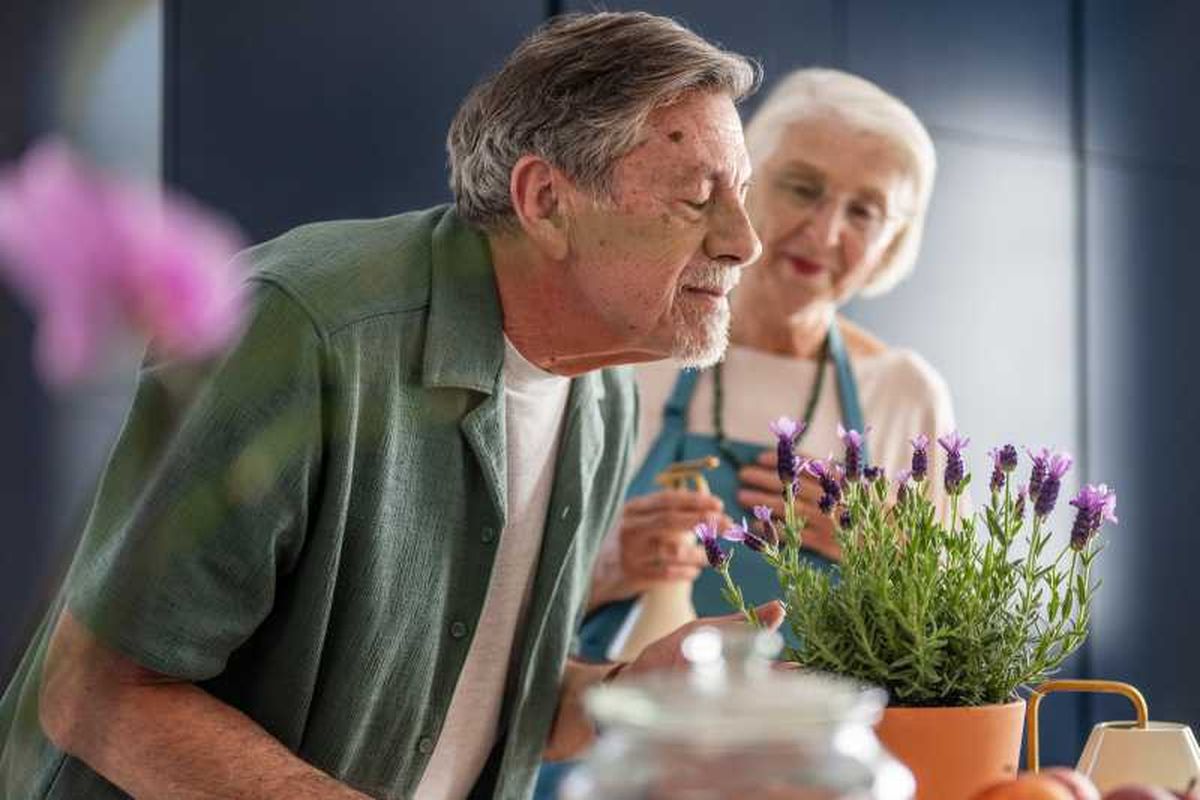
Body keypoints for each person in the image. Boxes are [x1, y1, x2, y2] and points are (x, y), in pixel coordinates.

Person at [0, 12, 779, 800]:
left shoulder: (606, 388)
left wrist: (630, 697)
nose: (745, 241)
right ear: (546, 200)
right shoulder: (301, 328)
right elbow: (93, 694)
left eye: (741, 196)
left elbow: (468, 706)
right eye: (697, 199)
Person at [536, 70, 957, 796]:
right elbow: (496, 616)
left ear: (893, 244)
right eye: (802, 187)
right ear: (741, 185)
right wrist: (612, 567)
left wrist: (885, 553)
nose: (824, 232)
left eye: (865, 211)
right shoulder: (629, 357)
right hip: (628, 768)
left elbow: (953, 661)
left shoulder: (904, 395)